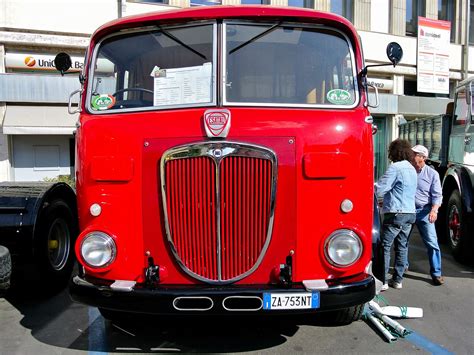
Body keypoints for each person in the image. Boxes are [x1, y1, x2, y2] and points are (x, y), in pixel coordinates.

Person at [376, 139, 417, 290]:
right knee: (402, 246)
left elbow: (381, 188)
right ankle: (398, 280)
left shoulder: (396, 167)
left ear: (394, 152)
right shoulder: (412, 168)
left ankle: (383, 281)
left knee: (385, 246)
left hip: (395, 212)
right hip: (410, 212)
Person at [411, 144, 444, 286]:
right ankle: (402, 265)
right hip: (408, 211)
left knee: (432, 243)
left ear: (423, 158)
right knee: (402, 241)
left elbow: (437, 195)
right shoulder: (407, 171)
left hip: (425, 212)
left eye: (415, 154)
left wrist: (434, 210)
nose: (412, 156)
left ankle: (436, 273)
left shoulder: (432, 174)